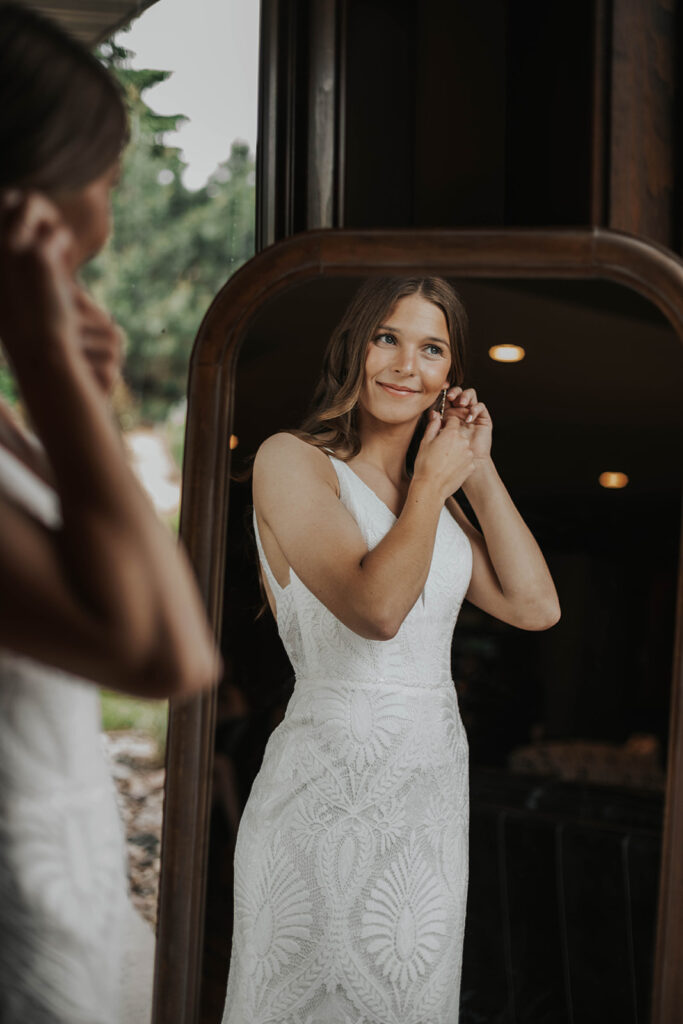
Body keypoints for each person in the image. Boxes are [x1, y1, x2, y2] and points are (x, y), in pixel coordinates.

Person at [222, 276, 560, 1023]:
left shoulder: (431, 495)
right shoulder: (293, 461)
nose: (406, 364)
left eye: (430, 348)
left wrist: (478, 467)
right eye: (387, 338)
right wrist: (433, 487)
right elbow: (376, 611)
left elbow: (535, 606)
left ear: (449, 377)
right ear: (354, 348)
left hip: (428, 802)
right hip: (321, 794)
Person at [0, 5, 220, 1022]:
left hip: (65, 880)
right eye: (108, 180)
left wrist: (78, 397)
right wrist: (49, 363)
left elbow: (139, 577)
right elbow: (168, 652)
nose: (114, 215)